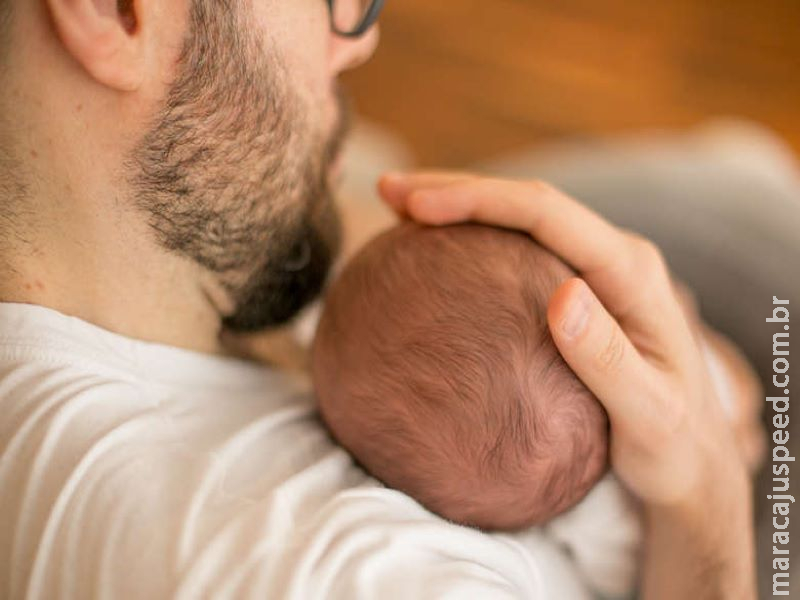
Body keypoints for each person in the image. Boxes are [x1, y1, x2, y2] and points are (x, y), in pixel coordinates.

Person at [0, 1, 757, 599]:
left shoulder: (161, 243)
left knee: (734, 184)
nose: (359, 39)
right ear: (113, 9)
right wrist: (707, 496)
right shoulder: (343, 574)